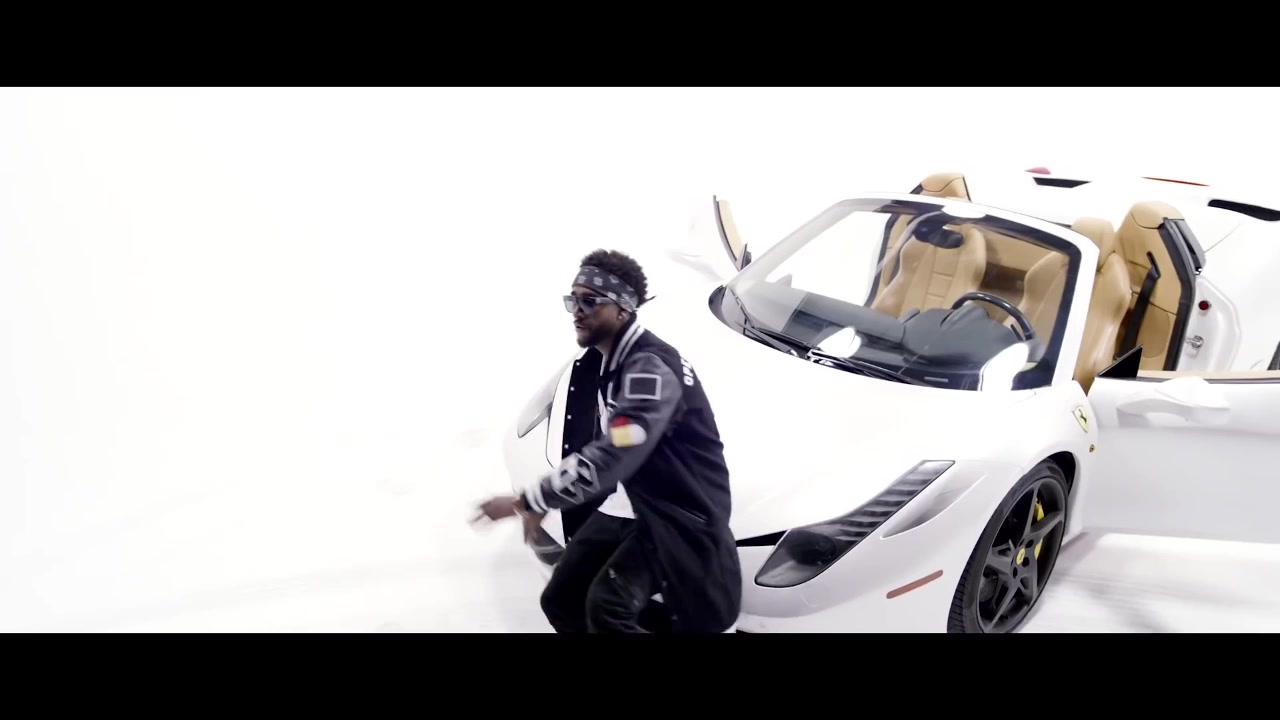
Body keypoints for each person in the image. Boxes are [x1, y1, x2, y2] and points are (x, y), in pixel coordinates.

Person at [472, 249, 742, 633]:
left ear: (623, 310)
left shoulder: (649, 370)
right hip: (633, 499)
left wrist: (532, 500)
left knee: (607, 608)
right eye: (573, 301)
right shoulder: (615, 359)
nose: (577, 312)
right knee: (561, 599)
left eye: (590, 301)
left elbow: (616, 450)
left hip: (676, 512)